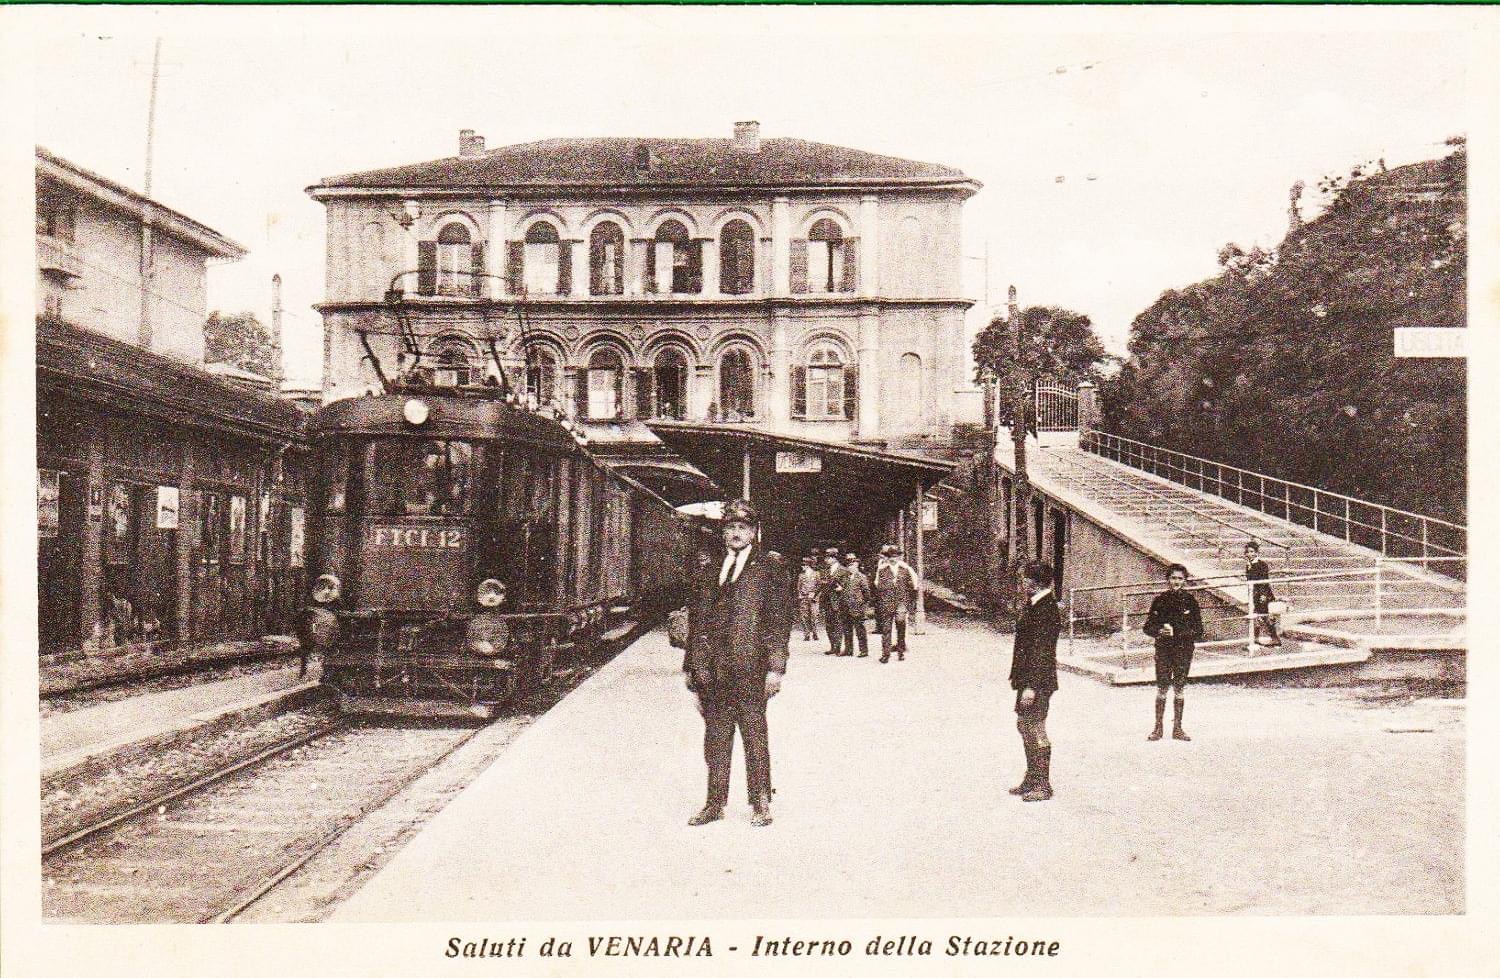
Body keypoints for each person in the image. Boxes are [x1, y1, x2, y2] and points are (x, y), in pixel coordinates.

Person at [683, 499, 792, 827]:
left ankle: (760, 801)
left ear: (753, 532)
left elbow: (779, 620)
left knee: (754, 734)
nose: (735, 533)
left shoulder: (769, 567)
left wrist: (776, 667)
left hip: (751, 668)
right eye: (729, 527)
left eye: (742, 528)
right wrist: (691, 665)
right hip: (712, 670)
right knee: (715, 736)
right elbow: (697, 619)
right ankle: (714, 803)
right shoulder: (708, 567)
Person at [1009, 561, 1061, 802]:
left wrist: (1030, 686)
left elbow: (1042, 651)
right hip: (1028, 679)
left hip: (1037, 681)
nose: (1022, 582)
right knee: (1024, 724)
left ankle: (1043, 784)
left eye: (1025, 578)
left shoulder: (1046, 608)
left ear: (1036, 581)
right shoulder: (1035, 604)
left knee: (1035, 726)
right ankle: (1032, 777)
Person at [1142, 563, 1204, 742]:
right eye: (1173, 578)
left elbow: (1199, 630)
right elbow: (1148, 627)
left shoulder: (1190, 601)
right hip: (1163, 649)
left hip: (1183, 650)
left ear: (1185, 581)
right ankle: (1158, 728)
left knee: (1179, 687)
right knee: (1162, 687)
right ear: (1168, 579)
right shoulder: (1160, 600)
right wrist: (1159, 631)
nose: (1176, 582)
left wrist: (1177, 633)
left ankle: (1177, 728)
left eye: (1180, 579)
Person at [873, 544, 919, 663]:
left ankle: (900, 650)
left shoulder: (905, 568)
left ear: (899, 557)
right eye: (890, 556)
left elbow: (914, 585)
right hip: (887, 602)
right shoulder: (882, 569)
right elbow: (877, 584)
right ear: (887, 557)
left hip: (901, 602)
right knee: (886, 628)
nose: (893, 559)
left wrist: (907, 599)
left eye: (895, 556)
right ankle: (886, 654)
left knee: (900, 623)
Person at [1243, 541, 1281, 650]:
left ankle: (1273, 638)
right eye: (1247, 552)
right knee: (1258, 616)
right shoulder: (1249, 565)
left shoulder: (1261, 564)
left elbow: (1264, 581)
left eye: (1252, 552)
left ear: (1256, 553)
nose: (1249, 554)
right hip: (1254, 594)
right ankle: (1257, 638)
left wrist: (1263, 595)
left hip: (1263, 595)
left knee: (1263, 616)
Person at [839, 553, 872, 658]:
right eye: (849, 565)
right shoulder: (846, 577)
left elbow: (867, 593)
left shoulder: (861, 577)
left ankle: (864, 650)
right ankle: (848, 649)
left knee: (860, 630)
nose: (850, 567)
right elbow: (843, 589)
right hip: (846, 606)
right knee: (847, 629)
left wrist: (862, 604)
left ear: (857, 565)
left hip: (857, 607)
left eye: (852, 565)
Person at [817, 547, 847, 656]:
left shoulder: (843, 570)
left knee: (838, 624)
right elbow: (822, 584)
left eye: (828, 558)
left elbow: (847, 585)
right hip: (827, 601)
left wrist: (842, 588)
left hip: (838, 601)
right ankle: (833, 646)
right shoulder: (825, 570)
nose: (826, 560)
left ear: (834, 558)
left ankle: (837, 647)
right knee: (829, 625)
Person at [796, 556, 821, 642]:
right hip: (804, 597)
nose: (802, 567)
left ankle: (815, 632)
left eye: (803, 565)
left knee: (814, 615)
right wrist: (800, 595)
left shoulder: (816, 574)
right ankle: (806, 634)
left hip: (813, 598)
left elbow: (819, 586)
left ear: (807, 565)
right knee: (804, 616)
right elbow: (799, 587)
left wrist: (815, 595)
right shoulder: (801, 575)